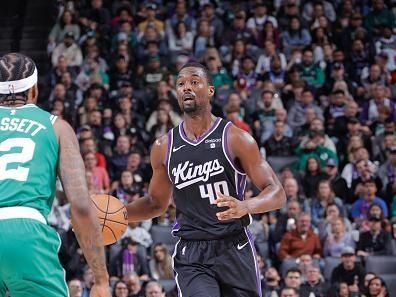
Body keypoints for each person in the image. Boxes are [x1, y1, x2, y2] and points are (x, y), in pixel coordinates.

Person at [126, 62, 286, 297]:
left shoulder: (236, 138)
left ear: (210, 90)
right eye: (181, 84)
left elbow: (277, 192)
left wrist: (245, 206)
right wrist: (119, 215)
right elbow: (155, 203)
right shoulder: (163, 147)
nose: (186, 88)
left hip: (234, 245)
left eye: (194, 82)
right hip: (192, 251)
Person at [0, 53, 110, 296]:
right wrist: (101, 280)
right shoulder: (56, 127)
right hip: (24, 232)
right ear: (34, 90)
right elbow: (81, 206)